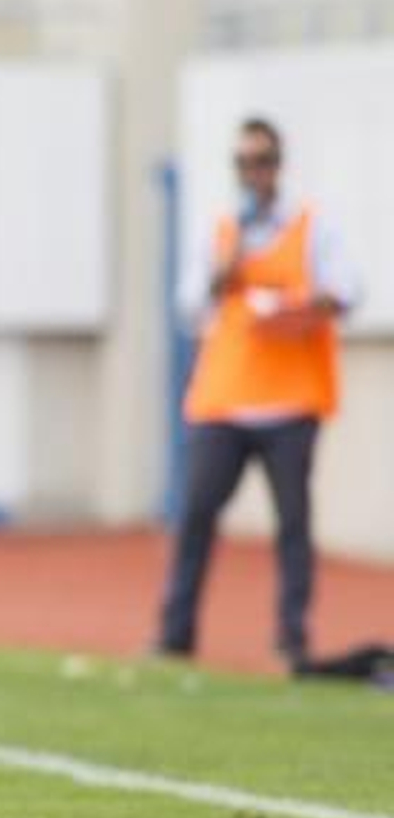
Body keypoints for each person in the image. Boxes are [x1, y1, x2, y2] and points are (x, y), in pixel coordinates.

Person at [156, 116, 359, 670]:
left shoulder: (312, 225)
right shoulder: (221, 229)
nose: (255, 172)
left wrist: (301, 307)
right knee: (196, 516)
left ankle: (292, 640)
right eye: (245, 162)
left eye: (263, 160)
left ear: (279, 164)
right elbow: (191, 306)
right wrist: (230, 266)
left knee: (293, 525)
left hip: (291, 403)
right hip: (222, 401)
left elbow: (346, 292)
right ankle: (175, 634)